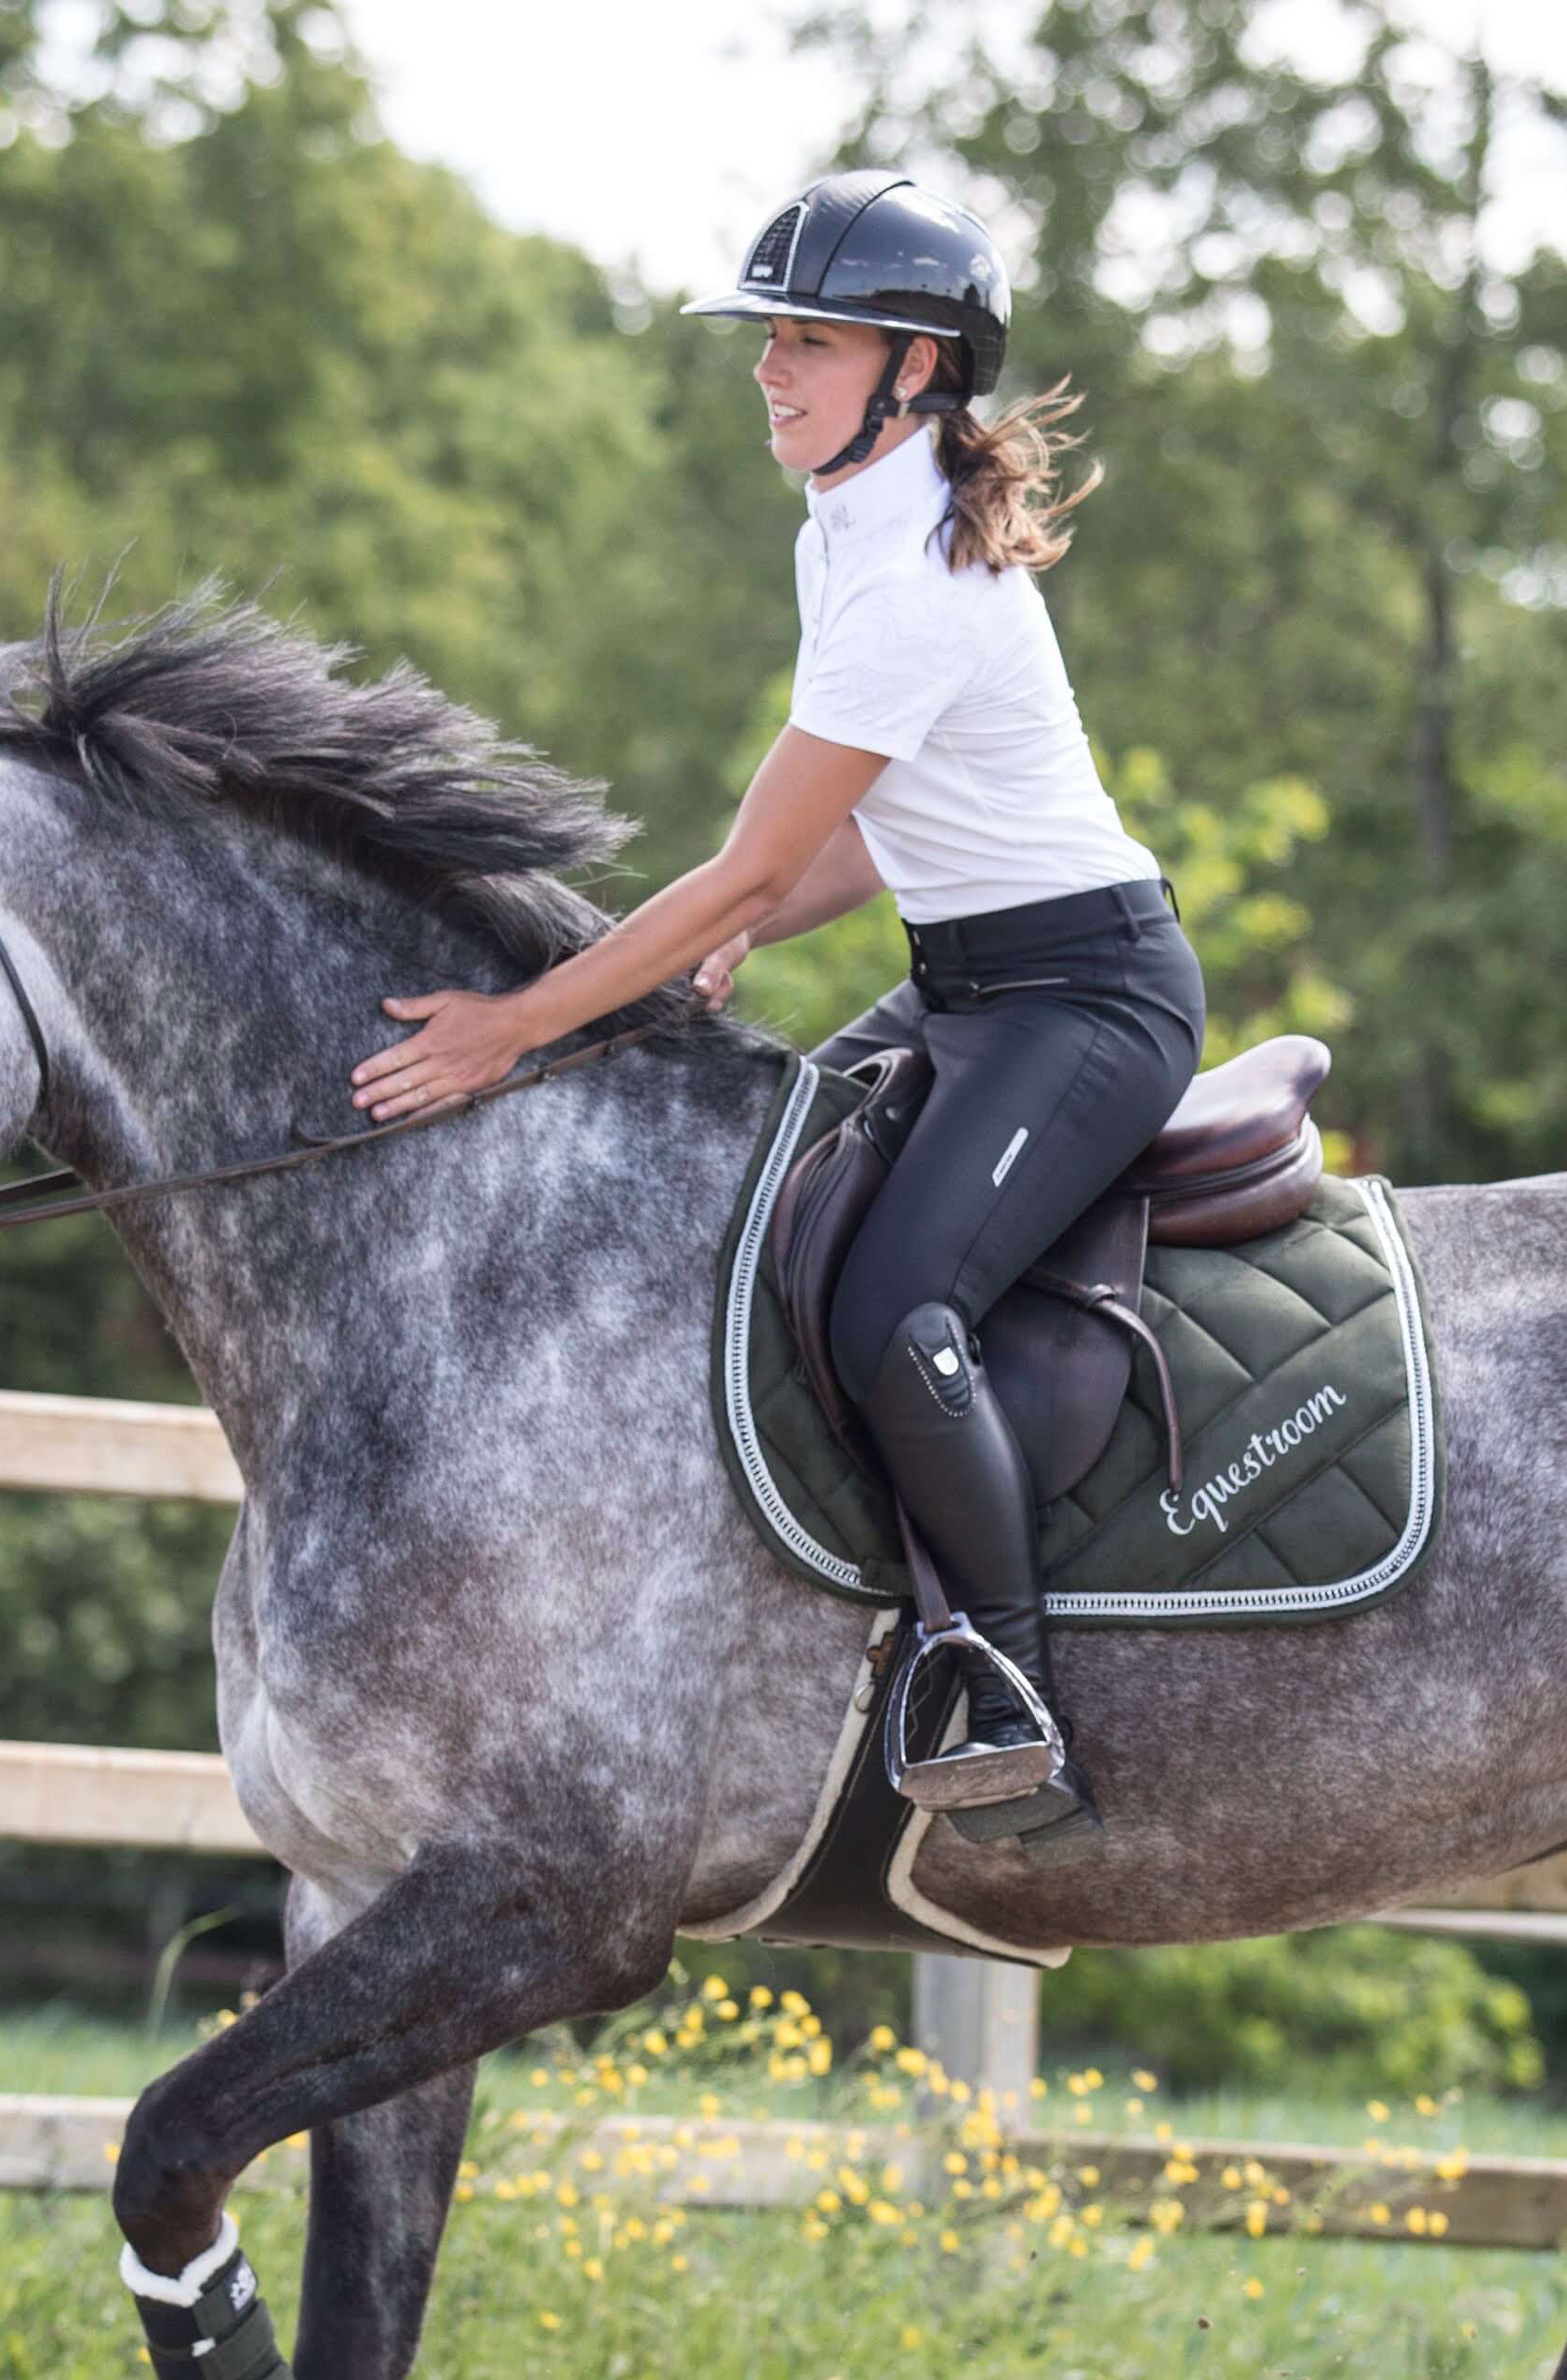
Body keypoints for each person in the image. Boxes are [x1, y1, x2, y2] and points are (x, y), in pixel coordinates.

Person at [360, 168, 1202, 1849]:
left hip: (1087, 998)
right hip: (966, 980)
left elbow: (753, 863)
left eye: (806, 344)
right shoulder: (852, 532)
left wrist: (517, 1024)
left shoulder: (908, 586)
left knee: (897, 1308)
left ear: (911, 372)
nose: (768, 373)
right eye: (769, 342)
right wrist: (741, 927)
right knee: (761, 1222)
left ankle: (1005, 1686)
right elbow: (852, 843)